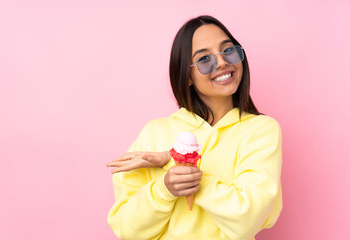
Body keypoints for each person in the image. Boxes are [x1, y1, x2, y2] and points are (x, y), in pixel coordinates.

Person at [107, 15, 282, 240]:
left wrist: (171, 160)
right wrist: (164, 189)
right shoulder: (154, 132)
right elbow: (127, 230)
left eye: (228, 50)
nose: (221, 63)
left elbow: (247, 218)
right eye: (204, 59)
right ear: (187, 76)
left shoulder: (260, 130)